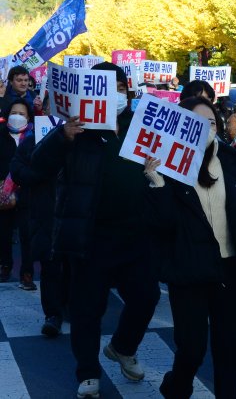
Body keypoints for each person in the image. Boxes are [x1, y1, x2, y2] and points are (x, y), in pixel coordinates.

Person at [30, 62, 161, 399]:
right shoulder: (79, 130)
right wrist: (63, 137)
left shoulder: (140, 127)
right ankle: (88, 372)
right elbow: (38, 165)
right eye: (107, 89)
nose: (116, 95)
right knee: (87, 309)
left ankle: (123, 347)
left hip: (136, 233)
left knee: (147, 296)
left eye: (121, 88)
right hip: (91, 236)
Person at [143, 96, 236, 398]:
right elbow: (163, 225)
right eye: (196, 122)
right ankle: (176, 387)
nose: (205, 128)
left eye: (211, 122)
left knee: (229, 348)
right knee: (191, 348)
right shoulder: (167, 165)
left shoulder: (232, 160)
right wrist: (157, 183)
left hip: (229, 267)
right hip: (188, 267)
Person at [10, 128, 67, 337]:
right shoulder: (35, 138)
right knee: (50, 265)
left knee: (73, 267)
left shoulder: (88, 139)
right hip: (45, 212)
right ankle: (53, 314)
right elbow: (17, 169)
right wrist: (40, 174)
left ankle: (69, 307)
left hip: (75, 212)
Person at [0, 99, 36, 287]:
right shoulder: (1, 135)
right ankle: (5, 265)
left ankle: (27, 272)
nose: (17, 117)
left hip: (27, 191)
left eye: (22, 114)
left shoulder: (33, 137)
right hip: (4, 193)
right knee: (3, 232)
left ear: (28, 117)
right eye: (14, 113)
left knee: (27, 234)